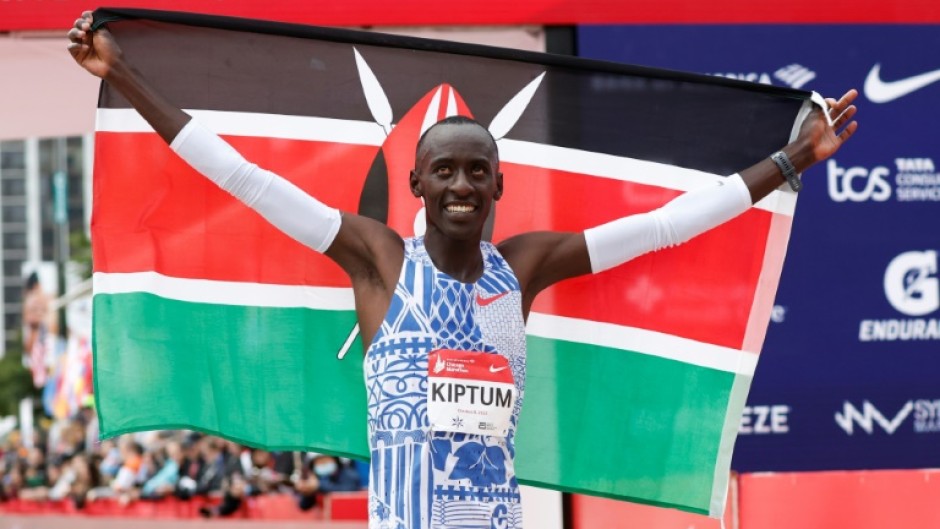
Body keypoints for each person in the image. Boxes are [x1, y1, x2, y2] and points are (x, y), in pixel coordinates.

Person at [68, 11, 858, 529]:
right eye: (443, 171)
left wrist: (789, 160)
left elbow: (661, 226)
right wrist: (125, 76)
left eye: (478, 171)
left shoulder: (525, 267)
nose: (461, 186)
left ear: (498, 184)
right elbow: (247, 179)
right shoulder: (378, 262)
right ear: (415, 183)